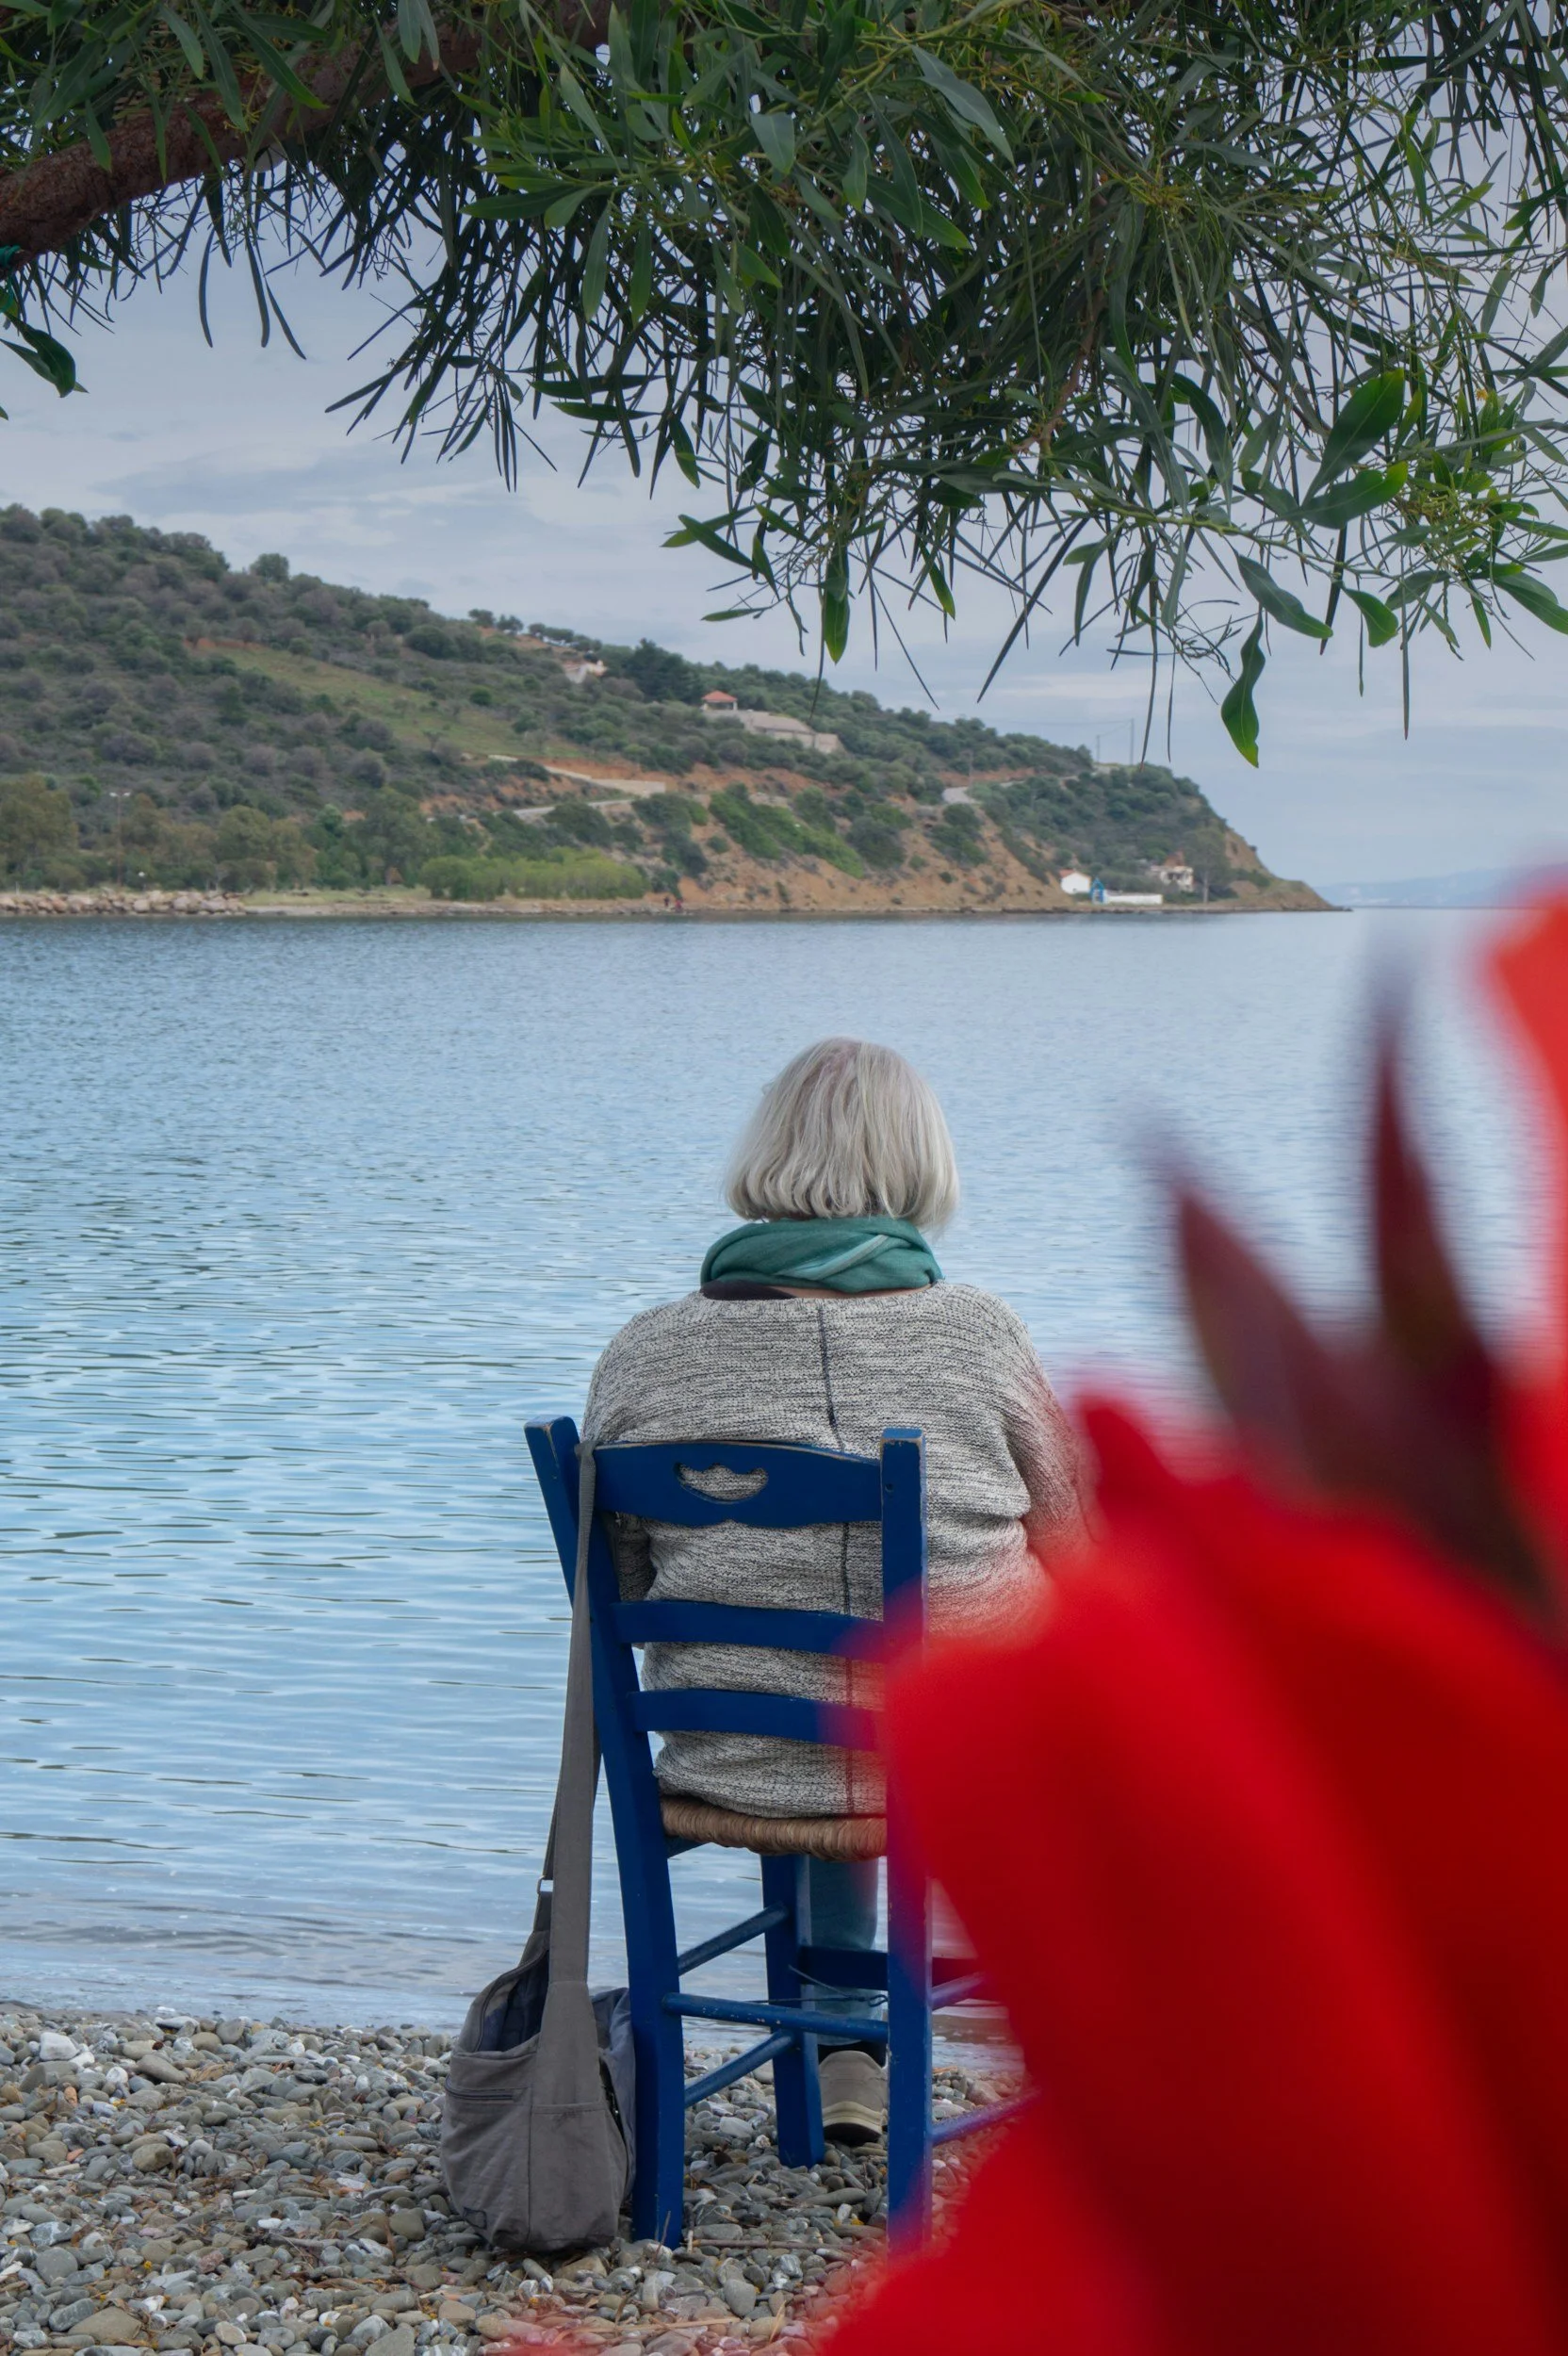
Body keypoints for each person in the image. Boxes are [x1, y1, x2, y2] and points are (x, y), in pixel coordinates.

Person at [583, 1038, 1087, 2142]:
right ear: (919, 1167)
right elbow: (1083, 1548)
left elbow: (615, 1580)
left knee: (821, 1679)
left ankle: (845, 2039)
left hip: (729, 1757)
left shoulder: (644, 1352)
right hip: (947, 1749)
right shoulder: (975, 1335)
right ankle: (1104, 2042)